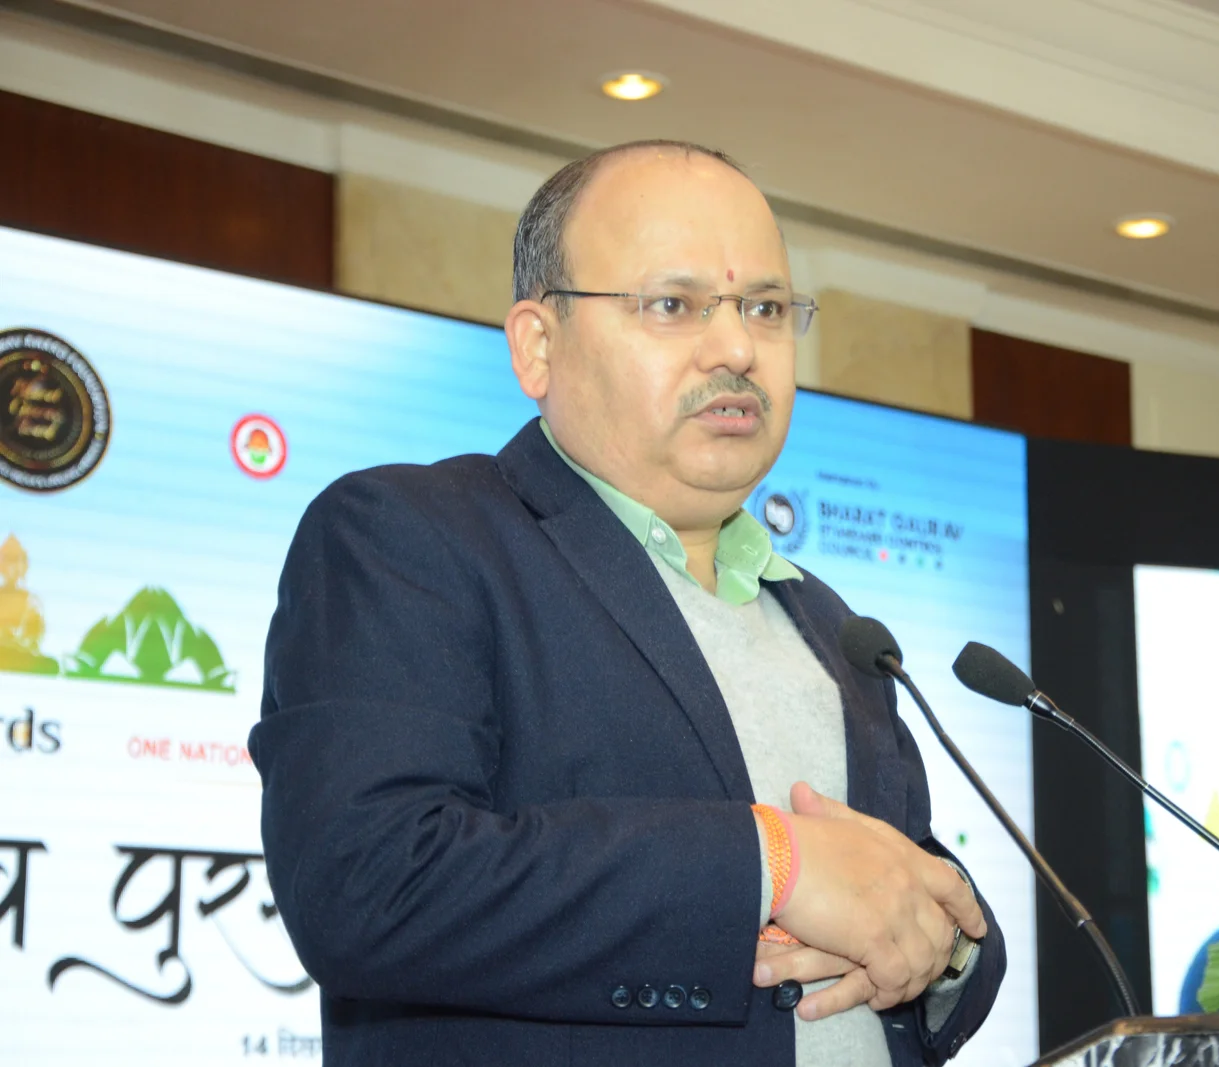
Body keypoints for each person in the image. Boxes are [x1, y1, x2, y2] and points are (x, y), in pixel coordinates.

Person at [251, 140, 1006, 1066]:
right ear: (539, 345)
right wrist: (776, 864)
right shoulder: (413, 537)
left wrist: (948, 949)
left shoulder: (829, 623)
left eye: (766, 308)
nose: (737, 348)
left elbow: (912, 883)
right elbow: (367, 881)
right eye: (673, 305)